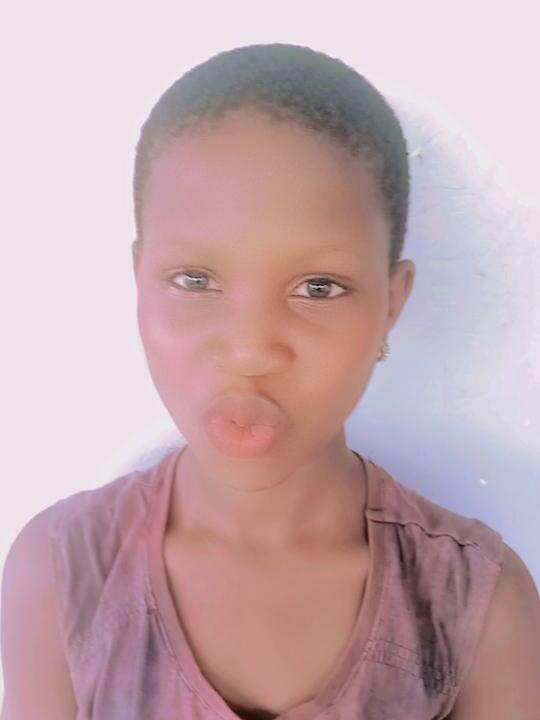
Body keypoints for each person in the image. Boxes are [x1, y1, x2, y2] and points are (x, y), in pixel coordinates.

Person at [1, 43, 539, 720]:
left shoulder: (479, 607)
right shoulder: (60, 573)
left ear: (391, 305)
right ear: (139, 280)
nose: (251, 350)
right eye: (194, 279)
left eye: (319, 287)